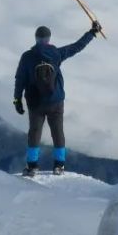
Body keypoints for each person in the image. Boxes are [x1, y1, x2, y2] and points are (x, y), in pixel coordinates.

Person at [13, 21, 101, 177]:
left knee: (34, 133)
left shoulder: (27, 57)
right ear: (48, 39)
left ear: (36, 38)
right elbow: (77, 46)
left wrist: (17, 100)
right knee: (58, 132)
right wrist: (92, 32)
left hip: (35, 103)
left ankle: (32, 166)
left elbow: (20, 79)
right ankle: (59, 166)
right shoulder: (56, 54)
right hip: (56, 101)